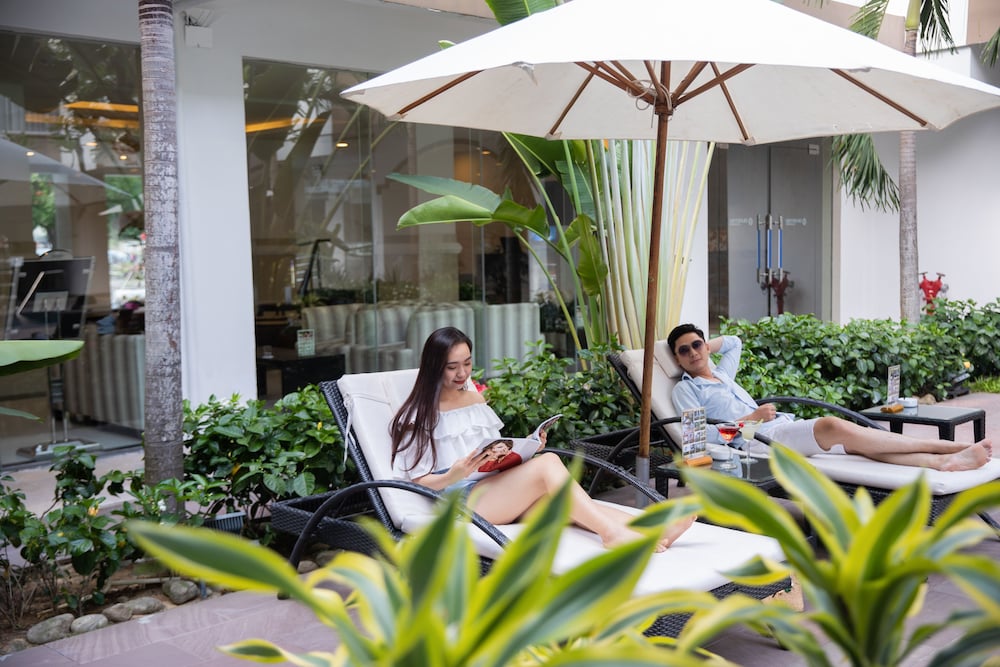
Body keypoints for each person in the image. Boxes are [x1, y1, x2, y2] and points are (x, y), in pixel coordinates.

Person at [390, 326, 695, 552]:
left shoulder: (474, 399)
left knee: (563, 502)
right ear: (434, 366)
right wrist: (454, 475)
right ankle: (611, 534)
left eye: (467, 363)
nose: (462, 373)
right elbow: (417, 481)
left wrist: (525, 448)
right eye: (452, 367)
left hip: (494, 488)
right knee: (549, 463)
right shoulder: (418, 415)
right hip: (462, 503)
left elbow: (494, 451)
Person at [666, 323, 993, 471]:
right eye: (684, 350)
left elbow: (735, 342)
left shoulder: (722, 374)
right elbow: (700, 435)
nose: (693, 352)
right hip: (757, 441)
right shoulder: (686, 389)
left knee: (859, 446)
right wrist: (750, 419)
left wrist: (707, 347)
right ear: (677, 360)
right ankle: (950, 447)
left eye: (697, 345)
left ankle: (941, 462)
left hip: (778, 428)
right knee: (831, 426)